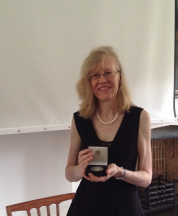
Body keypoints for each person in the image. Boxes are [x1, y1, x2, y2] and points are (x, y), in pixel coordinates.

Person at [65, 46, 152, 216]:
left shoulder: (139, 117)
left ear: (120, 78)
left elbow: (146, 178)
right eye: (95, 75)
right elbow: (69, 173)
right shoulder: (79, 119)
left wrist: (121, 173)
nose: (102, 80)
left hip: (125, 208)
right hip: (86, 207)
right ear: (88, 82)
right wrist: (79, 169)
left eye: (108, 73)